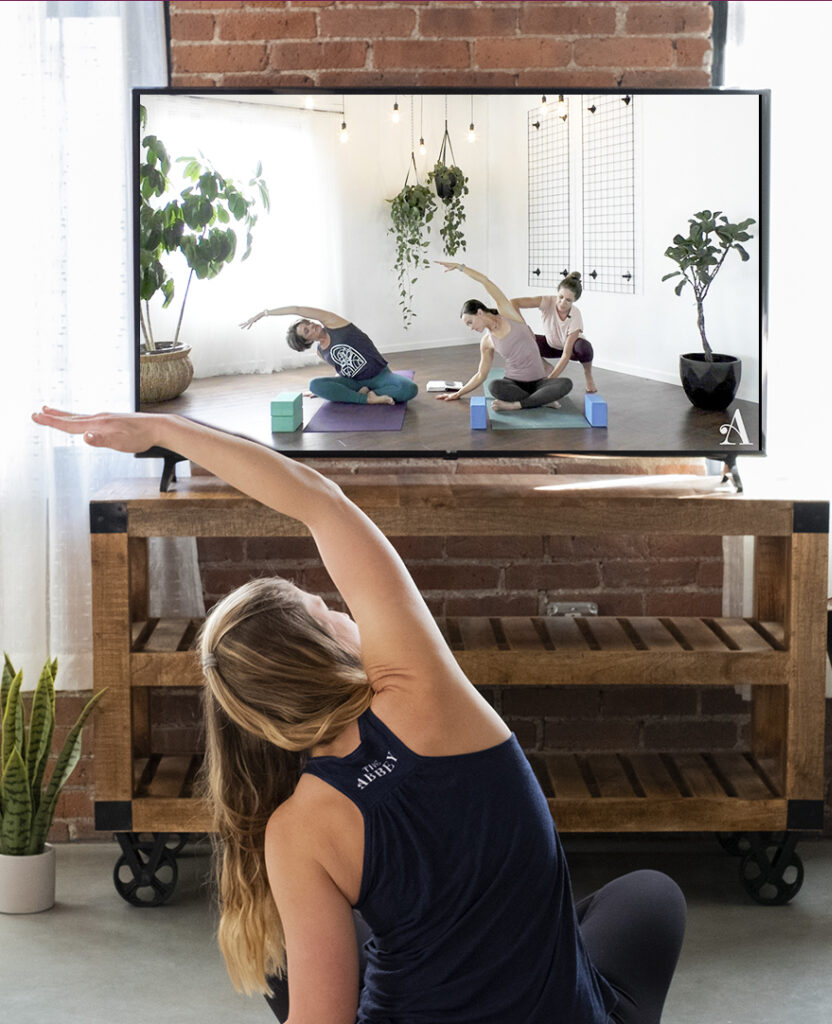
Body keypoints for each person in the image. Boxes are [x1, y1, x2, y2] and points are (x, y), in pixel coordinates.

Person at [32, 406, 686, 1024]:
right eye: (325, 609)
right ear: (323, 645)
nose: (345, 611)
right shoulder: (421, 692)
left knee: (288, 956)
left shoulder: (296, 827)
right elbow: (320, 501)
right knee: (649, 894)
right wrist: (164, 429)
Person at [434, 261, 575, 412]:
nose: (471, 328)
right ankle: (539, 399)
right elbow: (481, 374)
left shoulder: (508, 313)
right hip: (514, 384)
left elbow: (485, 281)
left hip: (539, 382)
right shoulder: (487, 341)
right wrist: (458, 393)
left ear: (480, 312)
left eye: (470, 322)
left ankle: (518, 404)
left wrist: (460, 267)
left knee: (566, 384)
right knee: (494, 386)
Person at [240, 304, 418, 406]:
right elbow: (341, 370)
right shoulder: (321, 352)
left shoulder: (333, 323)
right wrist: (326, 388)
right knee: (314, 385)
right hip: (355, 382)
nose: (312, 326)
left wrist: (265, 313)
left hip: (379, 375)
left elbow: (297, 309)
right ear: (307, 341)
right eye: (307, 331)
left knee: (409, 389)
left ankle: (364, 394)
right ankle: (367, 399)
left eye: (308, 323)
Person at [512, 272, 598, 393]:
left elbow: (566, 354)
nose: (563, 302)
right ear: (557, 293)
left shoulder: (576, 314)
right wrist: (524, 327)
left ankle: (588, 377)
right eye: (561, 297)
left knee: (584, 348)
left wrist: (550, 380)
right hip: (551, 345)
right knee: (521, 341)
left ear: (574, 300)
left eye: (568, 300)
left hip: (572, 350)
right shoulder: (547, 301)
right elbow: (513, 303)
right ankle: (546, 367)